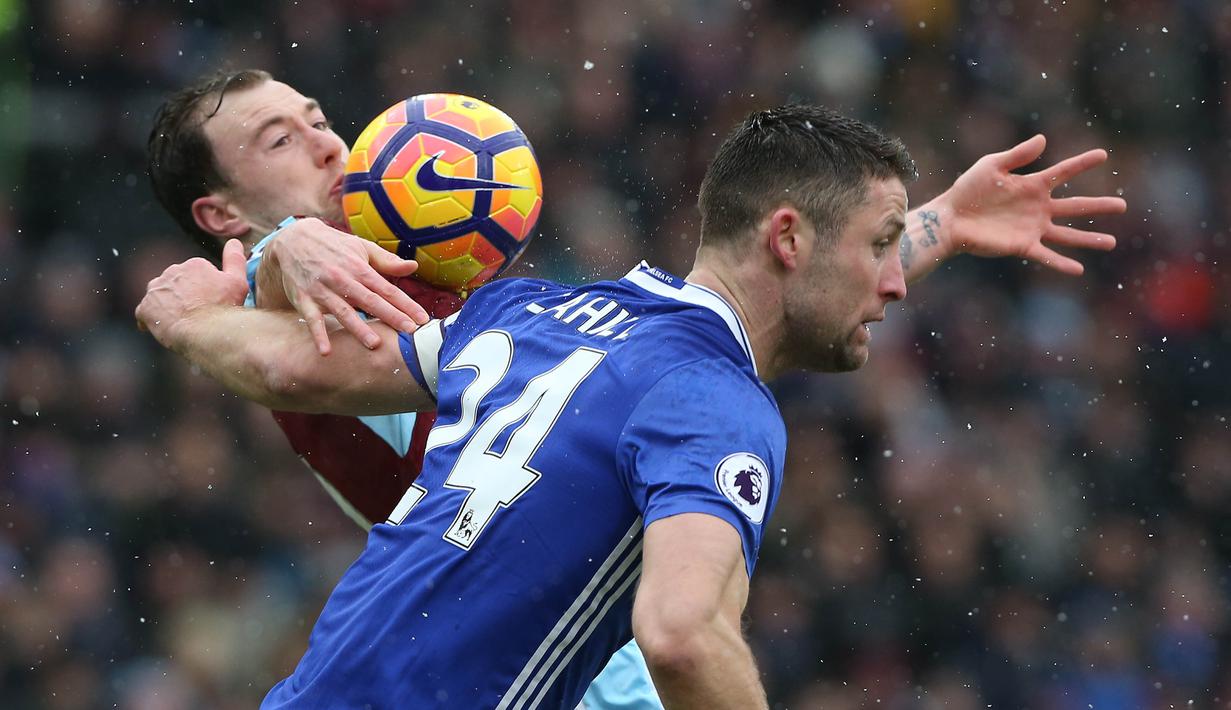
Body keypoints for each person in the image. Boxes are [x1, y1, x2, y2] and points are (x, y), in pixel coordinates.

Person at [137, 101, 1124, 708]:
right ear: (784, 236)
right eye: (881, 245)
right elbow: (683, 632)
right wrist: (278, 249)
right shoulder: (713, 404)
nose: (895, 280)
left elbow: (302, 371)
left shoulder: (533, 314)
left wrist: (185, 321)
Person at [146, 68, 662, 708]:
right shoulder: (286, 314)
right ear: (221, 213)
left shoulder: (397, 264)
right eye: (280, 141)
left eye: (317, 120)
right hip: (507, 667)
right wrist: (285, 241)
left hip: (595, 657)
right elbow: (267, 294)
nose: (330, 146)